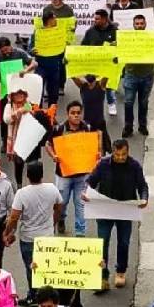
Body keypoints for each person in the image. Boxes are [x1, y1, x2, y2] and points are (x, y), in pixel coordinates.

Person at [83, 139, 149, 291]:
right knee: (102, 243)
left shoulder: (134, 166)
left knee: (124, 242)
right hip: (105, 209)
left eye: (123, 154)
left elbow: (142, 185)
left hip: (125, 210)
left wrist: (144, 197)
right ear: (112, 152)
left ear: (128, 152)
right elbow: (90, 181)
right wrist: (86, 192)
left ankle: (120, 271)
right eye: (117, 154)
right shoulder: (103, 164)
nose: (120, 157)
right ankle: (103, 276)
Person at [3, 161, 63, 307]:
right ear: (42, 175)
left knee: (32, 269)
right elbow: (59, 207)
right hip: (47, 237)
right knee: (46, 268)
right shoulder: (52, 189)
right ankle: (48, 297)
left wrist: (7, 232)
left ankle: (34, 296)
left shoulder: (22, 194)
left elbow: (14, 217)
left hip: (28, 238)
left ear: (27, 176)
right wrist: (53, 223)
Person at [46, 100, 95, 238]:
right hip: (63, 175)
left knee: (80, 204)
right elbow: (48, 145)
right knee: (62, 202)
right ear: (67, 114)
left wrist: (96, 155)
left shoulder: (88, 128)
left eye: (78, 113)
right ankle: (61, 218)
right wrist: (54, 155)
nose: (76, 116)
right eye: (73, 113)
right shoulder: (59, 129)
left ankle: (80, 233)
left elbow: (94, 147)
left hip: (82, 175)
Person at [121, 14, 154, 137]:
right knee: (128, 102)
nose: (139, 26)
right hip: (131, 75)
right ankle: (128, 126)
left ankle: (142, 125)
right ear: (134, 25)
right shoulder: (127, 38)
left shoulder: (152, 38)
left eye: (142, 23)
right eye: (137, 24)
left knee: (143, 102)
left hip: (147, 75)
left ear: (145, 24)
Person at [81, 9, 118, 116]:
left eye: (97, 19)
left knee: (109, 85)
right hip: (93, 64)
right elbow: (83, 46)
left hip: (108, 63)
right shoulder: (90, 31)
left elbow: (121, 46)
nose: (95, 21)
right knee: (91, 86)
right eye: (94, 18)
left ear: (105, 19)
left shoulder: (115, 31)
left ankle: (111, 103)